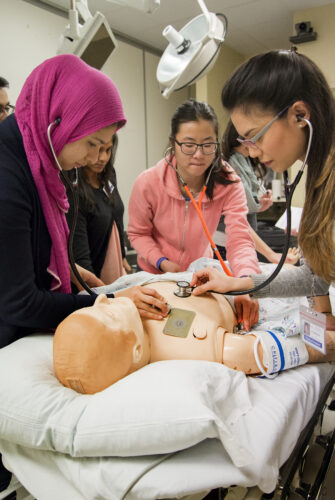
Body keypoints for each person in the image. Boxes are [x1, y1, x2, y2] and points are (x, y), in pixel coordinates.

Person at [0, 54, 168, 349]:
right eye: (91, 144)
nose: (93, 159)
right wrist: (108, 302)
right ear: (59, 121)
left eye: (103, 147)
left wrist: (69, 271)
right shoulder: (8, 174)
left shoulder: (39, 163)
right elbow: (19, 302)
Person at [190, 48, 335, 333]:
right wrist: (238, 283)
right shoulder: (319, 174)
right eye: (246, 140)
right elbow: (314, 277)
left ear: (299, 115)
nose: (253, 152)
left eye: (256, 136)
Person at [53, 280, 335, 394]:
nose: (103, 301)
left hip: (222, 283)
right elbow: (248, 354)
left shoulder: (128, 301)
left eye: (98, 305)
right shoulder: (181, 342)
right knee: (323, 318)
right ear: (136, 349)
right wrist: (328, 347)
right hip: (257, 311)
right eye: (109, 314)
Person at [128, 98, 261, 330]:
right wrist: (163, 263)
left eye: (208, 145)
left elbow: (239, 241)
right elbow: (138, 234)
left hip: (200, 277)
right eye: (188, 145)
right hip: (156, 275)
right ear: (173, 142)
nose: (199, 155)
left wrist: (245, 284)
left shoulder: (229, 182)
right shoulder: (148, 182)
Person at [219, 119, 299, 265]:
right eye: (247, 140)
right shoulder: (229, 166)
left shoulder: (245, 161)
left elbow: (242, 207)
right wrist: (272, 255)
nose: (253, 149)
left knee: (291, 242)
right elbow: (237, 218)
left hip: (244, 233)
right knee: (290, 243)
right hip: (230, 239)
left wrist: (259, 206)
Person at [66, 133, 131, 286]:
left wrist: (122, 256)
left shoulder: (108, 175)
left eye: (108, 150)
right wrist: (99, 295)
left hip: (115, 272)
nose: (102, 158)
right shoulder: (74, 189)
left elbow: (116, 215)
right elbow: (80, 258)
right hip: (91, 280)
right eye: (98, 150)